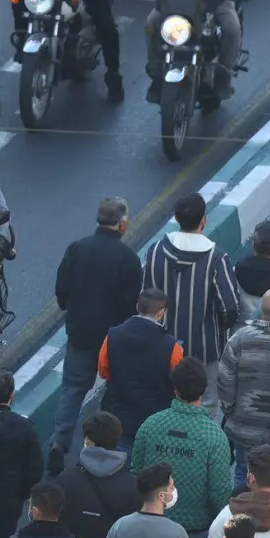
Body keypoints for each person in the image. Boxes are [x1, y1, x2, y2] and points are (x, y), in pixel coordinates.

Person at [50, 198, 141, 473]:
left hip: (79, 333)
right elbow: (130, 306)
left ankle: (59, 443)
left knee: (73, 389)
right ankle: (103, 447)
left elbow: (62, 293)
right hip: (113, 339)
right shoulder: (128, 259)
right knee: (115, 391)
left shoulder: (77, 249)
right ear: (122, 224)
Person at [142, 194, 240, 368]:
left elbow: (145, 295)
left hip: (161, 347)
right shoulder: (216, 258)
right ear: (204, 221)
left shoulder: (155, 250)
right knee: (205, 396)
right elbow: (230, 308)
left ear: (177, 219)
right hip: (204, 352)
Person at [218, 290, 270, 488]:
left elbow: (225, 380)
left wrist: (230, 411)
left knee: (243, 474)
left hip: (244, 428)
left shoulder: (239, 339)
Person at [98, 290, 182, 456]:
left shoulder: (113, 335)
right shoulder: (171, 347)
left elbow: (103, 371)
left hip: (118, 416)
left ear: (137, 306)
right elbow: (178, 386)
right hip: (155, 421)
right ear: (161, 313)